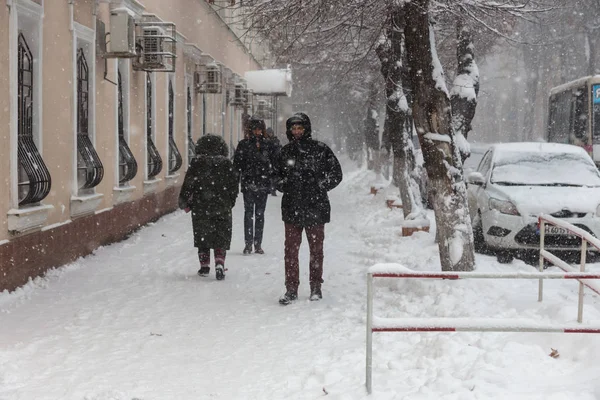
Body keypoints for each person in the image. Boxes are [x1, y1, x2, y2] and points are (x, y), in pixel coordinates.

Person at [276, 113, 343, 305]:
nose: (296, 132)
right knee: (290, 250)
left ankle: (316, 286)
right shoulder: (285, 152)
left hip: (316, 207)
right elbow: (275, 176)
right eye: (293, 129)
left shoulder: (320, 150)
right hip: (292, 207)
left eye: (300, 128)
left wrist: (321, 186)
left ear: (306, 129)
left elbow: (336, 174)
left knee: (316, 249)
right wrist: (284, 184)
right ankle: (291, 288)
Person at [178, 134, 239, 280]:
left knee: (202, 234)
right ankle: (219, 262)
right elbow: (233, 186)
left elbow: (189, 184)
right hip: (222, 205)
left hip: (201, 205)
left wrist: (184, 200)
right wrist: (230, 201)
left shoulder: (197, 163)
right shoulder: (227, 165)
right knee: (221, 235)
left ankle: (204, 266)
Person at [233, 115, 278, 255]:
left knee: (259, 214)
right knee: (248, 214)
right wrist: (237, 181)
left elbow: (275, 163)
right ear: (250, 130)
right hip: (248, 183)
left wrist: (272, 179)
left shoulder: (268, 144)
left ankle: (258, 243)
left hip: (262, 184)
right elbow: (237, 165)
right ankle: (248, 244)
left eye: (259, 129)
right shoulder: (244, 144)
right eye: (255, 129)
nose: (257, 132)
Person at [265, 127, 282, 196]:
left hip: (274, 160)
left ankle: (273, 189)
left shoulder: (275, 140)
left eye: (271, 133)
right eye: (269, 133)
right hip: (267, 159)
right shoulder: (265, 140)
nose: (270, 134)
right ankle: (269, 188)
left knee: (274, 176)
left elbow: (277, 149)